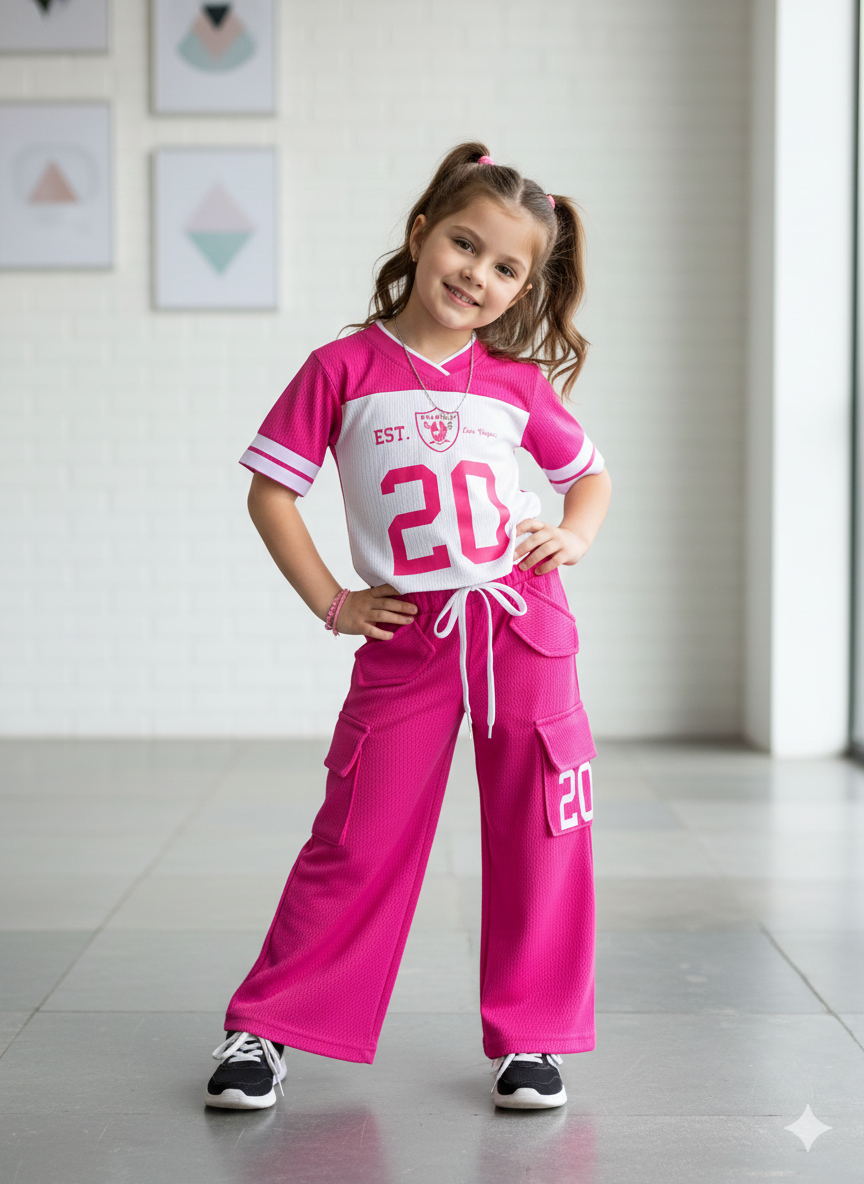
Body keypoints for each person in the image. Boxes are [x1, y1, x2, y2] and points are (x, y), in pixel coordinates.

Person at [204, 142, 612, 1112]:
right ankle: (267, 1027)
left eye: (505, 267)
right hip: (408, 635)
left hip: (522, 626)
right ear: (422, 233)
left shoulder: (516, 382)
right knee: (357, 832)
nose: (477, 275)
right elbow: (271, 493)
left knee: (542, 830)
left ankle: (534, 1038)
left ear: (523, 288)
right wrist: (334, 601)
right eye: (464, 244)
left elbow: (589, 476)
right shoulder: (340, 368)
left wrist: (573, 535)